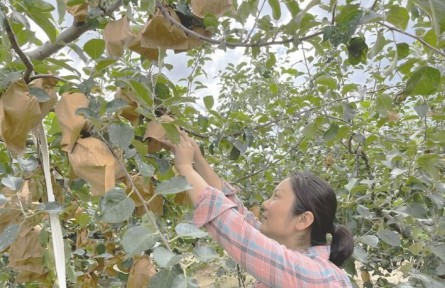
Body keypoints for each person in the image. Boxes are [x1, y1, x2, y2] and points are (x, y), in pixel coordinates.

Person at [166, 131, 354, 287]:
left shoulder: (314, 276)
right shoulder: (299, 259)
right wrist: (197, 159)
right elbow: (241, 218)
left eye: (276, 196)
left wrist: (185, 168)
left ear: (303, 220)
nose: (265, 203)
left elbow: (239, 234)